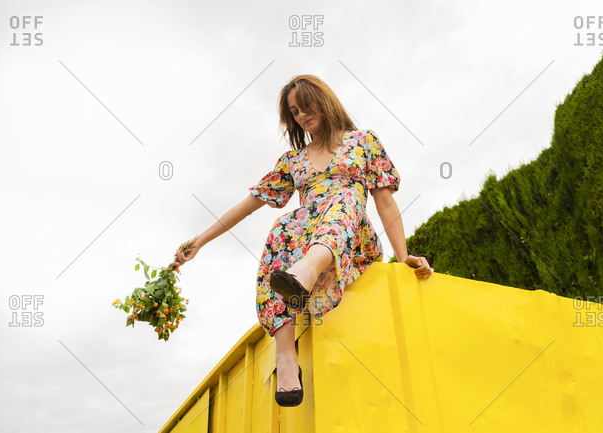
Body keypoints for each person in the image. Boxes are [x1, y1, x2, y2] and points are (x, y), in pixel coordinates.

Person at [170, 74, 434, 407]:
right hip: (307, 240)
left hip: (350, 240)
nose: (302, 116)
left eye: (305, 107)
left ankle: (306, 271)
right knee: (282, 229)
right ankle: (285, 358)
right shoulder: (293, 161)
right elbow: (249, 204)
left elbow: (383, 199)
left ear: (323, 101)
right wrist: (200, 241)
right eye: (294, 112)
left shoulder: (363, 141)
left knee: (343, 201)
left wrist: (403, 254)